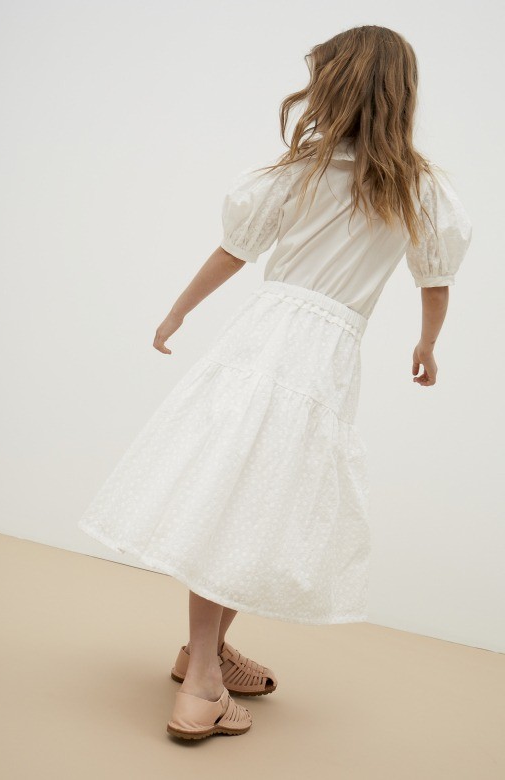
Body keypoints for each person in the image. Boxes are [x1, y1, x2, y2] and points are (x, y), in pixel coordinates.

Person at [78, 25, 472, 740]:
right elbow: (434, 280)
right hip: (313, 355)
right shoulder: (417, 188)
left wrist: (180, 309)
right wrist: (427, 344)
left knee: (254, 502)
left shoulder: (306, 173)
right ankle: (201, 683)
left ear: (337, 89)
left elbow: (235, 251)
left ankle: (202, 653)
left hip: (269, 338)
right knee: (248, 503)